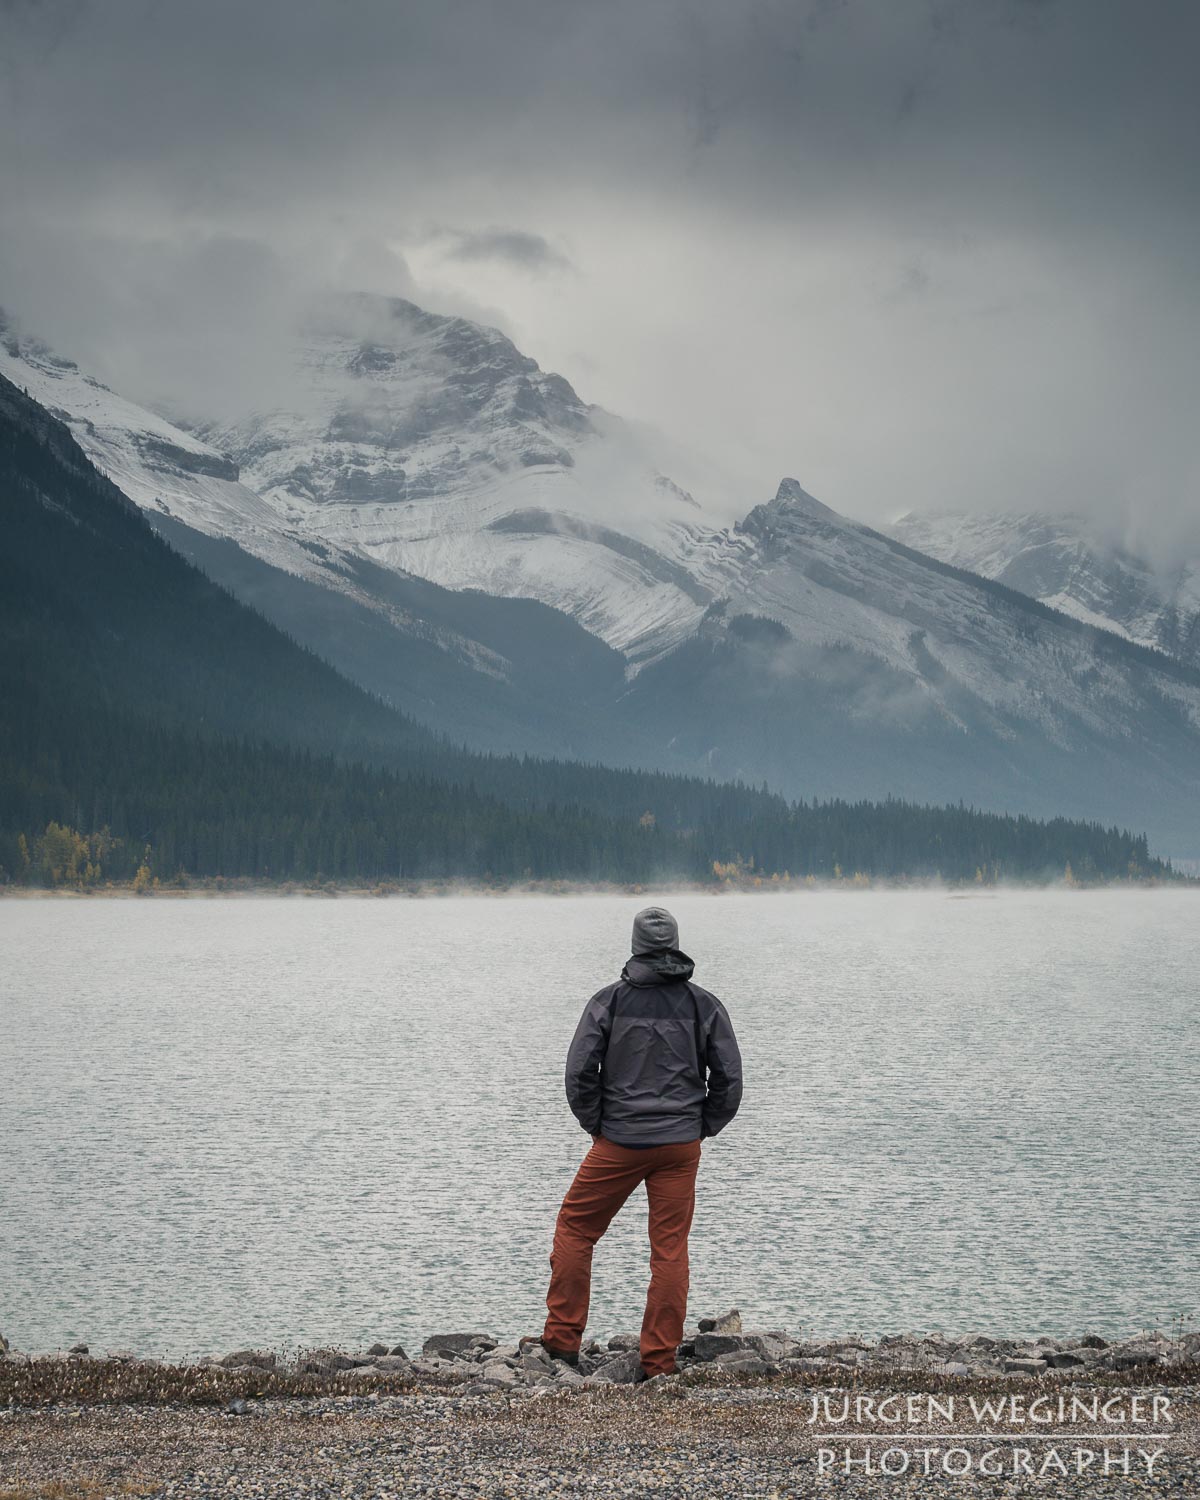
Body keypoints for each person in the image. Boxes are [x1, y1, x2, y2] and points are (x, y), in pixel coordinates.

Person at [530, 905, 743, 1380]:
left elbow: (579, 1072)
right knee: (669, 1249)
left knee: (575, 1229)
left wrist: (598, 1126)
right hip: (680, 1145)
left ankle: (562, 1342)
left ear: (635, 948)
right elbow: (729, 1078)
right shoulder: (702, 1004)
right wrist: (701, 1126)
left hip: (620, 1142)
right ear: (674, 946)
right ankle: (658, 1362)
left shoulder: (609, 1001)